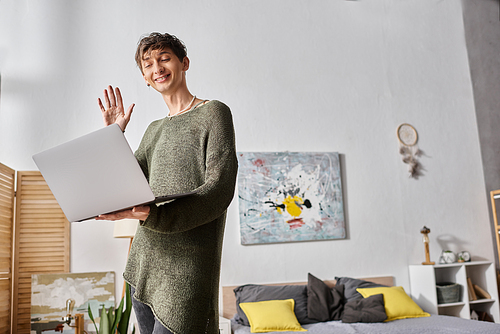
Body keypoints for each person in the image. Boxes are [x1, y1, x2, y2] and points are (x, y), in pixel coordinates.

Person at [96, 32, 238, 334]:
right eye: (147, 64)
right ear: (145, 79)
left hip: (188, 270)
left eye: (164, 58)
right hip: (144, 263)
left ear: (183, 63)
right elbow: (127, 182)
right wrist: (113, 137)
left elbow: (219, 189)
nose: (156, 68)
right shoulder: (153, 129)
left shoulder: (214, 113)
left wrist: (154, 214)